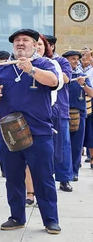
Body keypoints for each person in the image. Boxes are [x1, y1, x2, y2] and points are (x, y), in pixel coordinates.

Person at [0, 28, 61, 235]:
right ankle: (16, 216)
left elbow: (54, 81)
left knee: (43, 177)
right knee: (13, 177)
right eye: (16, 40)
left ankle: (50, 219)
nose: (20, 43)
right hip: (9, 133)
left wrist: (31, 70)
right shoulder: (3, 68)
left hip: (39, 131)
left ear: (36, 45)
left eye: (25, 40)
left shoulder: (45, 63)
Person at [45, 35, 72, 194]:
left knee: (63, 145)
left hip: (60, 109)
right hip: (41, 110)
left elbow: (67, 78)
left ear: (52, 46)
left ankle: (64, 179)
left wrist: (49, 70)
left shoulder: (61, 61)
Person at [62, 49, 93, 185]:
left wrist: (83, 84)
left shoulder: (82, 75)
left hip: (79, 114)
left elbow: (92, 93)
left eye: (76, 59)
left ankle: (74, 172)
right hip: (63, 114)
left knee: (77, 145)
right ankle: (64, 173)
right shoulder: (62, 76)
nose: (74, 61)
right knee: (64, 145)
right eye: (72, 58)